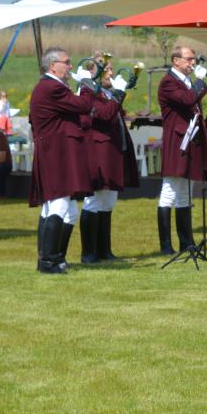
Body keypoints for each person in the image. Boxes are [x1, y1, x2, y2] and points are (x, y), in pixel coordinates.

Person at [28, 47, 100, 274]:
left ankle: (53, 257)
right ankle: (48, 260)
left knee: (60, 207)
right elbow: (84, 106)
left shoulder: (50, 87)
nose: (70, 66)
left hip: (55, 151)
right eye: (67, 62)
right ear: (53, 66)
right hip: (56, 153)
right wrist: (87, 82)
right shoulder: (51, 87)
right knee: (58, 204)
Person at [156, 45, 207, 255]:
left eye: (193, 59)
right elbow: (188, 99)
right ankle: (165, 245)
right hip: (176, 141)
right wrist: (199, 83)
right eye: (188, 59)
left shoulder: (184, 81)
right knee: (170, 191)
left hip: (190, 140)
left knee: (185, 193)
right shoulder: (168, 83)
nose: (192, 63)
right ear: (176, 60)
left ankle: (185, 242)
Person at [79, 62, 136, 263]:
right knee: (94, 200)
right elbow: (104, 114)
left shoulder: (106, 92)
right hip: (98, 151)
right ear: (93, 71)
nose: (111, 74)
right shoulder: (88, 91)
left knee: (108, 200)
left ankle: (104, 250)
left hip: (112, 149)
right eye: (107, 70)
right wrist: (119, 94)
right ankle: (88, 253)